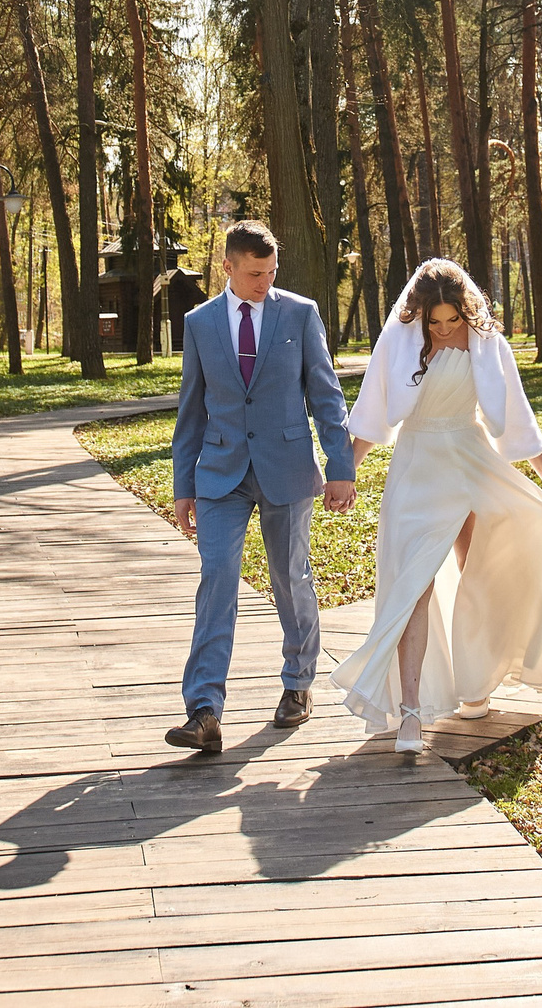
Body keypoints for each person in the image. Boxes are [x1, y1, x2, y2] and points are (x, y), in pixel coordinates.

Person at [331, 258, 542, 753]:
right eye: (433, 322)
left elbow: (515, 414)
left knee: (478, 568)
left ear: (468, 313)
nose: (442, 331)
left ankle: (477, 683)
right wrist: (345, 472)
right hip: (418, 468)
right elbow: (373, 413)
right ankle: (411, 714)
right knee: (412, 587)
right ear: (418, 314)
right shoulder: (399, 342)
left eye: (452, 321)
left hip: (470, 458)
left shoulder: (489, 345)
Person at [164, 219, 356, 754]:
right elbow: (191, 409)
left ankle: (298, 684)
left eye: (270, 273)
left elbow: (326, 394)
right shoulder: (199, 323)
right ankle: (204, 709)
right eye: (253, 274)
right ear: (227, 266)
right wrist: (184, 486)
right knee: (218, 577)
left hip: (287, 468)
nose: (263, 283)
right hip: (220, 474)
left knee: (289, 576)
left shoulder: (299, 313)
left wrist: (340, 466)